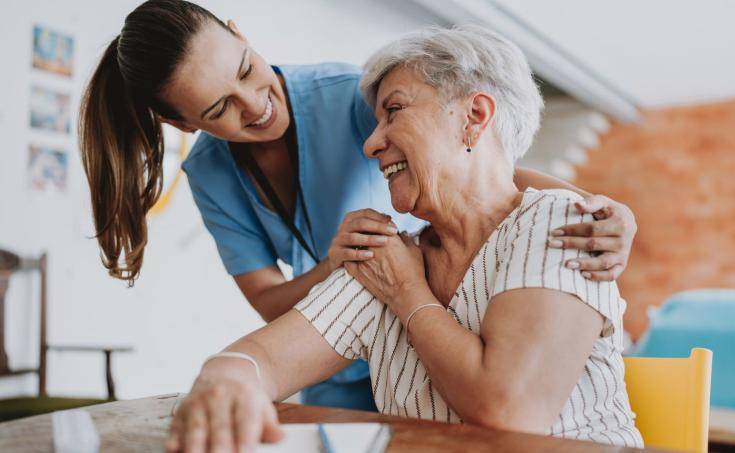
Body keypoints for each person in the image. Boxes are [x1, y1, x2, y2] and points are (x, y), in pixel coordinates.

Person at [79, 0, 637, 412]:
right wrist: (336, 269)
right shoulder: (212, 176)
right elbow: (269, 322)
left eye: (247, 70)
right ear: (184, 124)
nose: (255, 106)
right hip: (354, 352)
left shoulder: (351, 95)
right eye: (221, 106)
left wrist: (590, 206)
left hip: (415, 339)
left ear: (240, 34)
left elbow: (472, 167)